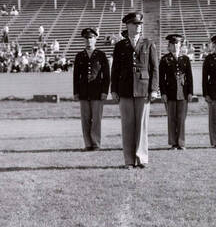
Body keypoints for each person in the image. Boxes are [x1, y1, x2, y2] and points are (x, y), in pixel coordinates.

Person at [111, 12, 159, 169]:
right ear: (128, 25)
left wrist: (153, 89)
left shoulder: (149, 44)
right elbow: (115, 70)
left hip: (143, 89)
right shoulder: (120, 46)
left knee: (142, 125)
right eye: (135, 24)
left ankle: (142, 157)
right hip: (124, 89)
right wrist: (114, 90)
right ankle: (129, 160)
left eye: (139, 24)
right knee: (127, 125)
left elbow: (154, 69)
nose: (138, 26)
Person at [73, 27, 110, 151]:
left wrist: (105, 91)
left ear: (95, 39)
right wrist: (76, 92)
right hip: (83, 92)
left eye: (91, 38)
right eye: (86, 38)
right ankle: (87, 144)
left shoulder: (101, 55)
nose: (89, 41)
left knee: (96, 119)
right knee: (85, 119)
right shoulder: (79, 56)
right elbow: (76, 76)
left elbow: (106, 76)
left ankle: (96, 143)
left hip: (97, 92)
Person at [159, 34, 193, 150]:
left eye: (177, 43)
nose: (175, 46)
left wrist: (190, 92)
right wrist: (162, 93)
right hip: (170, 92)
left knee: (181, 118)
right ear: (169, 46)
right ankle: (173, 143)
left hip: (183, 92)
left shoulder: (185, 59)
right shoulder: (164, 59)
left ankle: (181, 142)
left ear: (180, 45)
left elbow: (189, 77)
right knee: (171, 118)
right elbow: (161, 78)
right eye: (172, 44)